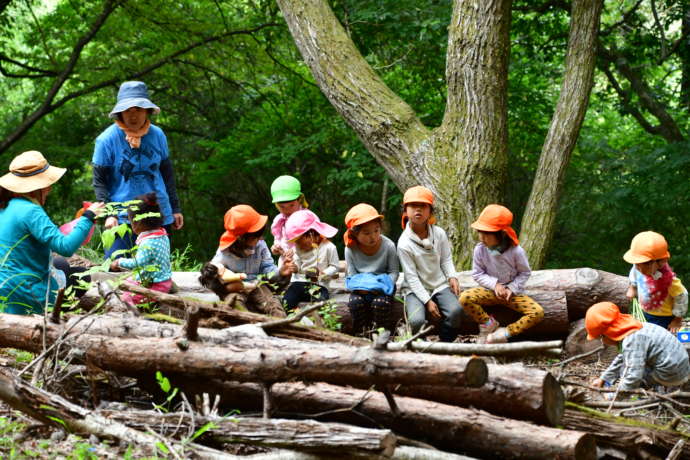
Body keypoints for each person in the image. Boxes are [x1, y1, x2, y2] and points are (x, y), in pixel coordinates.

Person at [0, 151, 104, 314]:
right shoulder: (31, 211)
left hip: (5, 289)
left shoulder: (6, 206)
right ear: (37, 187)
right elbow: (66, 247)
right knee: (82, 276)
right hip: (28, 294)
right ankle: (50, 315)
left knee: (61, 264)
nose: (49, 188)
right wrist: (89, 217)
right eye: (47, 184)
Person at [92, 81, 183, 259]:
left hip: (157, 214)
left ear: (147, 111)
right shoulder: (106, 140)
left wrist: (175, 208)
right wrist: (109, 215)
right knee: (116, 269)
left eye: (138, 110)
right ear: (120, 112)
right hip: (121, 217)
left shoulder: (157, 135)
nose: (133, 116)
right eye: (128, 111)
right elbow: (99, 181)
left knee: (156, 271)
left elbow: (167, 174)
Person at [459, 204, 544, 343]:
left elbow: (524, 273)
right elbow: (478, 273)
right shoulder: (480, 249)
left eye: (487, 233)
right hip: (491, 291)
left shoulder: (516, 251)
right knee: (464, 298)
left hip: (513, 295)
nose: (482, 237)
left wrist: (511, 288)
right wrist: (495, 285)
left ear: (501, 233)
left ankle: (506, 333)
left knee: (537, 312)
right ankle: (489, 324)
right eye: (480, 232)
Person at [199, 205, 291, 317]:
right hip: (235, 288)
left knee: (272, 304)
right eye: (255, 237)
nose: (259, 239)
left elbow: (267, 268)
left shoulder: (260, 245)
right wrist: (214, 272)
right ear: (241, 238)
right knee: (235, 304)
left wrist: (280, 272)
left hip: (256, 284)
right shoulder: (225, 252)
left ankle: (282, 325)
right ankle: (247, 325)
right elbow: (214, 271)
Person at [397, 186, 461, 342]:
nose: (418, 209)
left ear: (430, 211)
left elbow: (446, 259)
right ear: (405, 211)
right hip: (414, 288)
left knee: (456, 311)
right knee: (416, 321)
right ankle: (422, 347)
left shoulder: (439, 233)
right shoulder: (404, 243)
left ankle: (445, 344)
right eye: (413, 206)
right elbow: (411, 277)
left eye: (423, 206)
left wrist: (452, 276)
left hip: (439, 284)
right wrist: (427, 301)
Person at [586, 301, 689, 391]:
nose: (602, 341)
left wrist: (613, 397)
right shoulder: (632, 329)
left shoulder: (633, 340)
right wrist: (603, 378)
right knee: (627, 363)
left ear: (608, 333)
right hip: (678, 366)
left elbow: (633, 377)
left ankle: (640, 396)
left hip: (673, 373)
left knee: (626, 371)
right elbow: (622, 357)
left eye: (600, 337)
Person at [344, 203, 399, 336]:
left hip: (383, 286)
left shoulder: (389, 246)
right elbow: (352, 273)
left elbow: (394, 272)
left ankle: (382, 335)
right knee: (355, 303)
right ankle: (361, 334)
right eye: (366, 233)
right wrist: (363, 287)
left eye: (376, 230)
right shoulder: (350, 249)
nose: (373, 236)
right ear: (355, 234)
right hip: (360, 286)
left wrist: (383, 286)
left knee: (380, 304)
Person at [110, 193, 172, 305]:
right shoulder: (162, 234)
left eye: (131, 221)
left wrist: (119, 261)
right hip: (164, 280)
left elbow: (137, 263)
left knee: (125, 297)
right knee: (125, 281)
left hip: (154, 286)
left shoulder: (148, 242)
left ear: (138, 222)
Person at [623, 231, 687, 332]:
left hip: (663, 318)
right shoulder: (639, 266)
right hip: (644, 310)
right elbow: (634, 273)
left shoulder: (669, 281)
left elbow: (682, 296)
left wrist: (677, 319)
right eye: (636, 263)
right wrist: (633, 287)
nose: (637, 267)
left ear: (661, 262)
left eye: (642, 264)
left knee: (656, 339)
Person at [282, 209, 338, 312]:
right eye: (296, 242)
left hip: (319, 285)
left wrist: (323, 273)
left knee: (322, 302)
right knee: (287, 301)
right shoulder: (297, 248)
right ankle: (293, 320)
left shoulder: (329, 247)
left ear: (312, 234)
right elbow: (298, 263)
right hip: (299, 283)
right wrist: (295, 268)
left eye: (300, 241)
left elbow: (334, 266)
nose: (298, 245)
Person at [269, 175, 309, 259]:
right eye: (282, 207)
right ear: (276, 205)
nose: (287, 210)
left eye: (291, 205)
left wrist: (295, 249)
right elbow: (278, 238)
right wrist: (276, 247)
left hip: (306, 261)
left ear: (299, 200)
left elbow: (313, 240)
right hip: (286, 262)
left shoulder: (306, 218)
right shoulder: (279, 220)